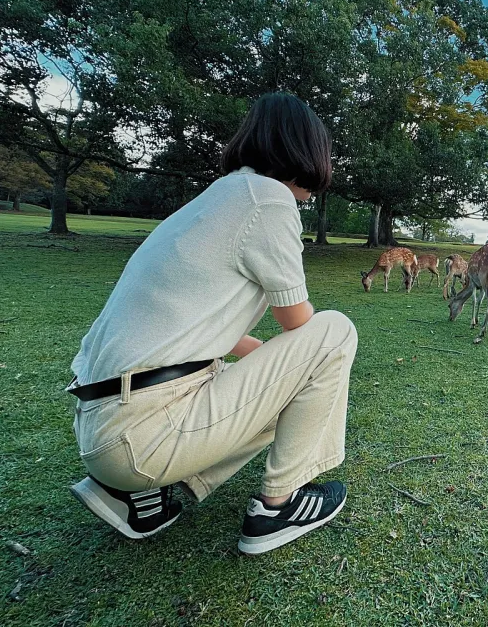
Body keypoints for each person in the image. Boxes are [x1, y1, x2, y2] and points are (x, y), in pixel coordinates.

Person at [67, 93, 357, 556]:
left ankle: (137, 493)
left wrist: (282, 368)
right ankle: (276, 509)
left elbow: (198, 326)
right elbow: (302, 325)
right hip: (142, 433)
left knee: (278, 380)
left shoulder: (217, 199)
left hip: (105, 428)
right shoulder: (269, 201)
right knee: (336, 330)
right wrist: (302, 369)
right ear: (305, 151)